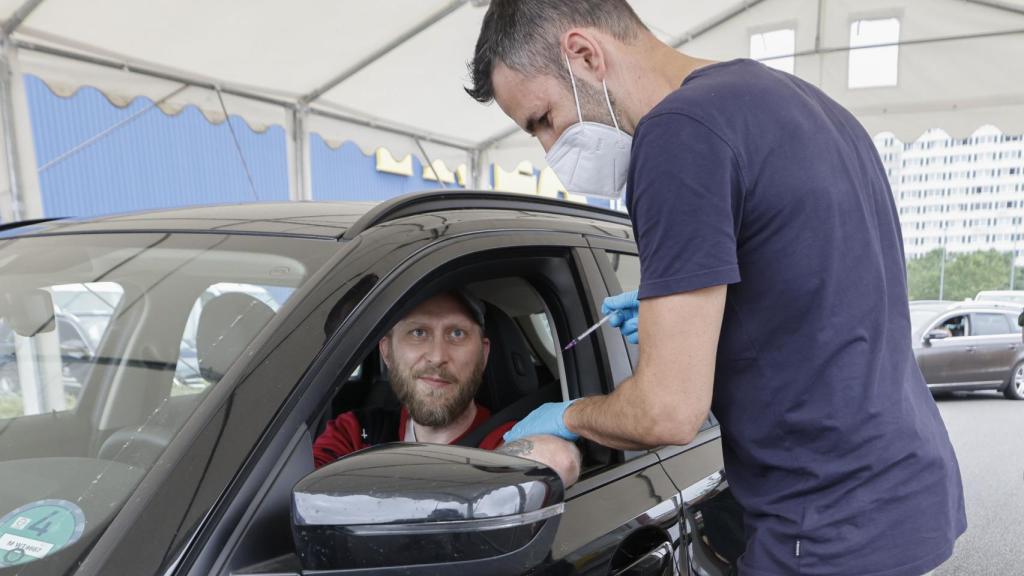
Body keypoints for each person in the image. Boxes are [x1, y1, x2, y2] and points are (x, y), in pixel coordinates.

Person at [465, 2, 965, 575]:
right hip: (903, 493)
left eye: (543, 119)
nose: (549, 151)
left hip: (823, 520)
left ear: (584, 54)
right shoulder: (801, 104)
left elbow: (669, 413)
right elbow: (820, 300)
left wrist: (570, 415)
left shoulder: (678, 136)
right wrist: (709, 317)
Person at [313, 290, 581, 486]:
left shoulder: (504, 438)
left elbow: (559, 460)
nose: (437, 356)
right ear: (387, 351)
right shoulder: (354, 434)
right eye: (418, 332)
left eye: (457, 334)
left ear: (483, 354)